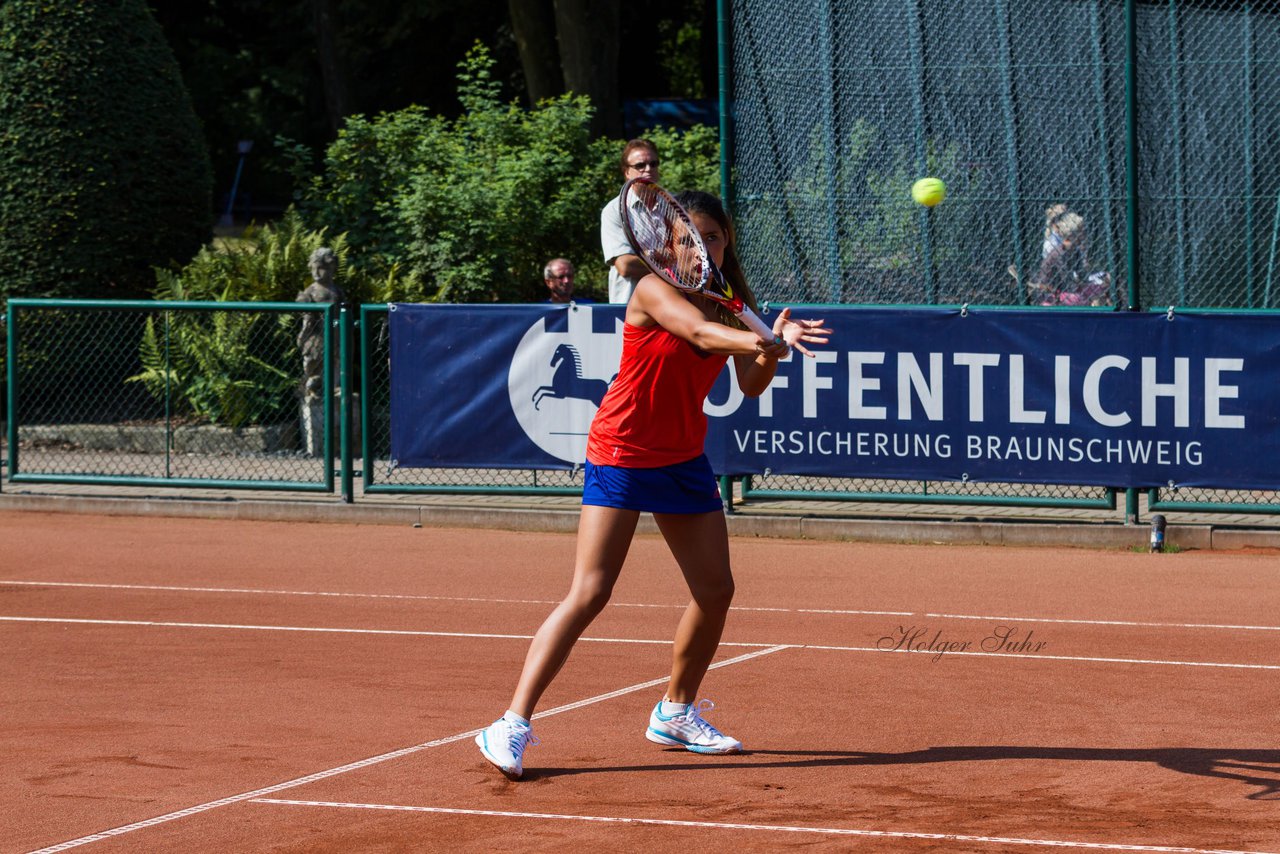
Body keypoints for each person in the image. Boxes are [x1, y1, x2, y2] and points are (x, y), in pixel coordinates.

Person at [476, 191, 832, 779]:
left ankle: (675, 710)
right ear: (668, 243)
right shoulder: (652, 291)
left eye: (714, 236)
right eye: (690, 235)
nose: (703, 246)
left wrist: (770, 345)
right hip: (621, 450)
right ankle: (510, 723)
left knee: (716, 590)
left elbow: (751, 386)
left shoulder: (733, 305)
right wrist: (762, 337)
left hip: (682, 457)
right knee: (591, 592)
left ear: (727, 243)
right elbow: (697, 333)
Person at [600, 139, 662, 304]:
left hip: (673, 306)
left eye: (653, 164)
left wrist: (647, 258)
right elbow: (626, 266)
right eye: (640, 165)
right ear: (626, 172)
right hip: (630, 309)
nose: (648, 169)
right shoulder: (613, 211)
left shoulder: (677, 208)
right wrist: (667, 262)